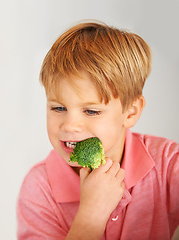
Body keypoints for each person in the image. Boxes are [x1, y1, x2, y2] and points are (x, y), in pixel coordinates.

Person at [16, 20, 179, 240]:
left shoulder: (167, 164)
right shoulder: (39, 189)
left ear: (130, 112)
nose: (70, 125)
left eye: (91, 111)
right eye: (59, 108)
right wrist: (91, 216)